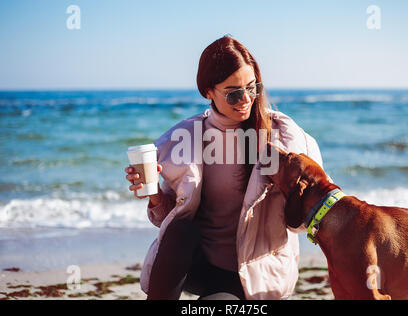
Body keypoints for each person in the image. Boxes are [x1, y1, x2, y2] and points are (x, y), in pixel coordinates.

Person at [124, 35, 324, 300]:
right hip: (200, 266)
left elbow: (304, 223)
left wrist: (292, 189)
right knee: (182, 230)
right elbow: (168, 222)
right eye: (233, 93)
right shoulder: (188, 137)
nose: (245, 99)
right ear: (208, 92)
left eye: (252, 88)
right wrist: (154, 195)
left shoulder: (281, 138)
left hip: (251, 276)